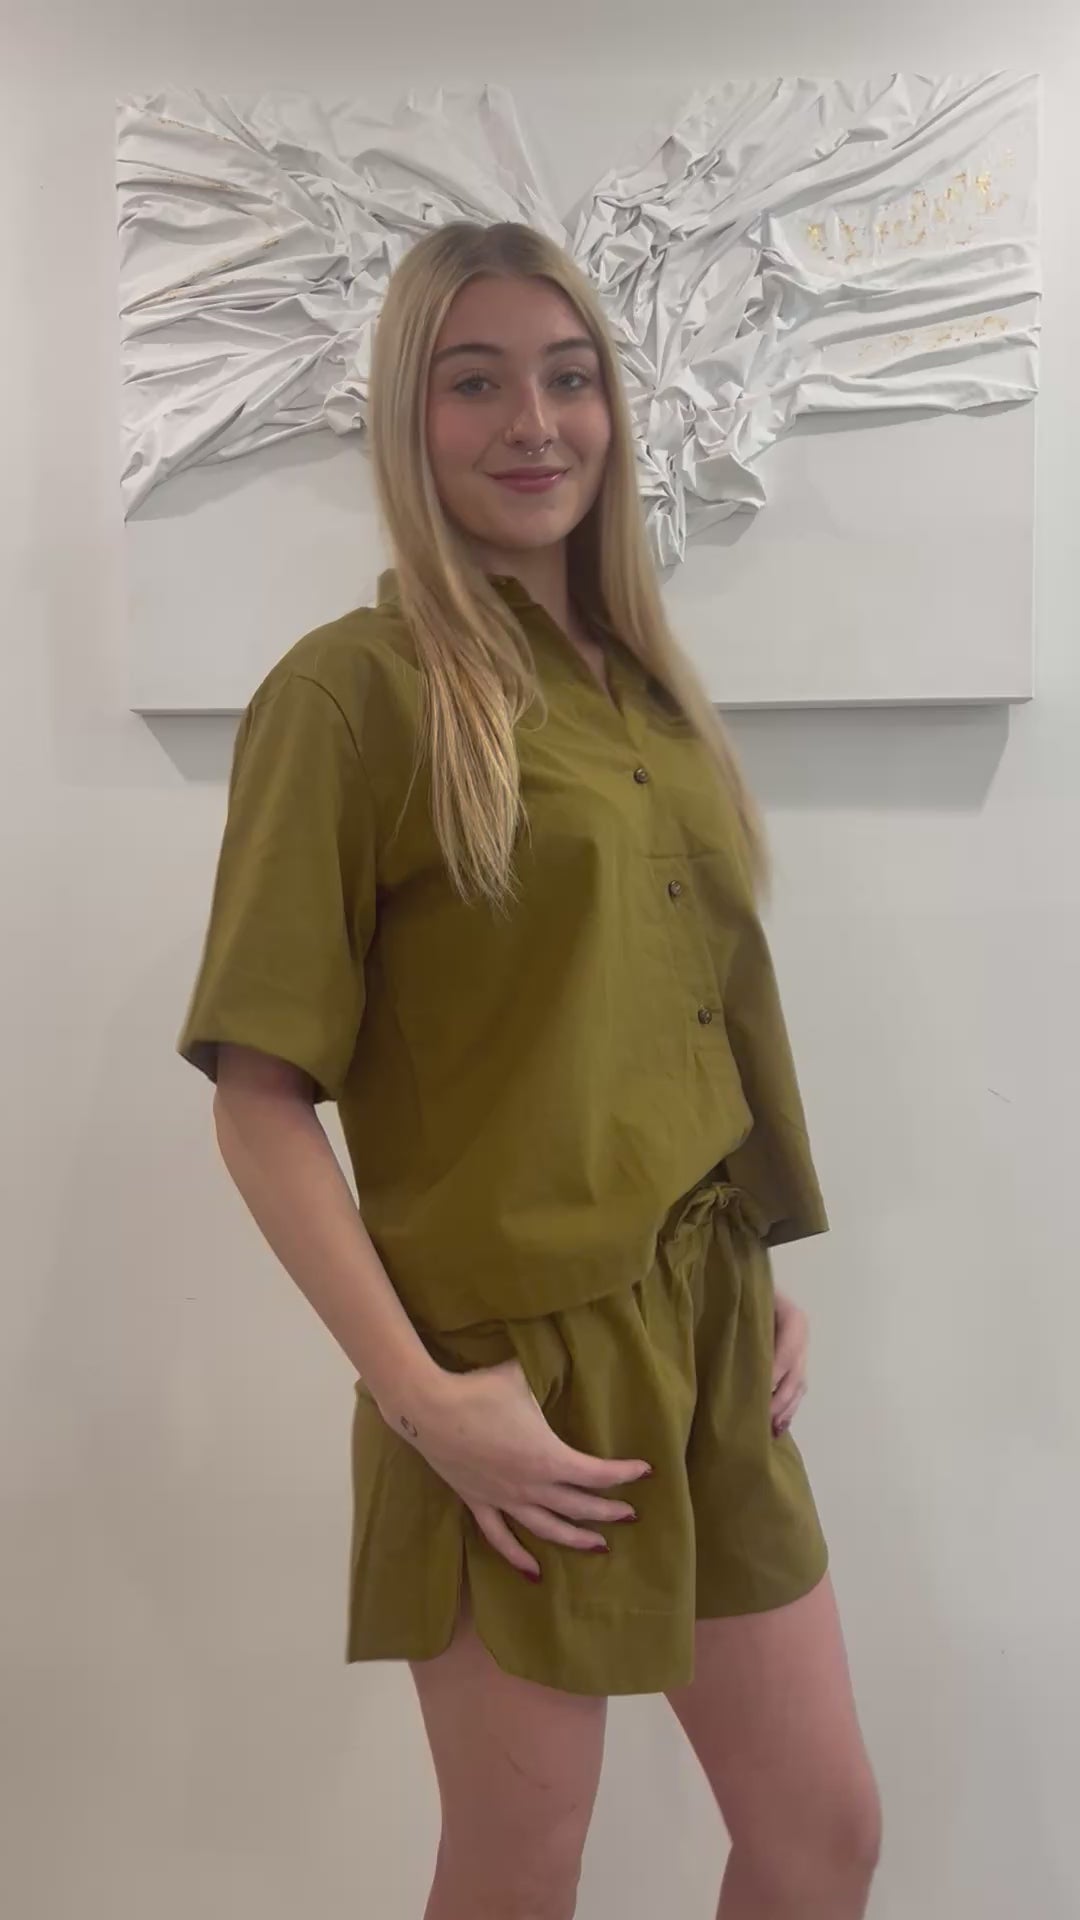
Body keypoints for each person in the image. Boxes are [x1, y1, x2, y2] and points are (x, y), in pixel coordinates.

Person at [177, 220, 881, 1920]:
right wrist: (425, 1401)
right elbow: (260, 1104)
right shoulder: (351, 696)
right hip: (512, 1368)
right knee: (520, 1864)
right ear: (404, 420)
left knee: (823, 1833)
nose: (534, 423)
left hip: (709, 1330)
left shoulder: (647, 695)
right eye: (473, 383)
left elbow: (660, 1014)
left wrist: (750, 1253)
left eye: (569, 379)